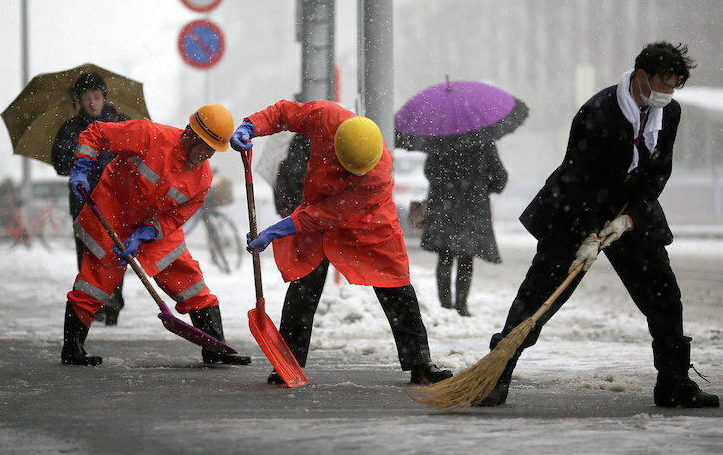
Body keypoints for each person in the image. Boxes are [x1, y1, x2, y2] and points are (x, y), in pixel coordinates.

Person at [480, 42, 718, 408]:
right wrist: (590, 232)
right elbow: (581, 178)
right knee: (541, 295)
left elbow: (658, 171)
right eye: (663, 85)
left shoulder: (668, 113)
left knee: (664, 294)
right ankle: (495, 375)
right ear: (641, 77)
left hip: (629, 211)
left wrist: (629, 218)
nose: (668, 95)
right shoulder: (598, 111)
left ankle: (674, 382)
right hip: (574, 209)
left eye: (674, 87)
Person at [229, 99, 453, 385]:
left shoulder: (376, 173)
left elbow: (328, 214)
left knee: (396, 285)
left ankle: (421, 363)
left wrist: (278, 230)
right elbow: (284, 114)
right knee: (304, 285)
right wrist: (251, 126)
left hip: (370, 223)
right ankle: (288, 364)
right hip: (317, 210)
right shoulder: (325, 117)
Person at [61, 104, 251, 367]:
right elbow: (97, 133)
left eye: (213, 151)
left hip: (154, 230)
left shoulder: (202, 178)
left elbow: (176, 217)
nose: (208, 156)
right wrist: (82, 165)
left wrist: (148, 232)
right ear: (192, 135)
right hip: (112, 215)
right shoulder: (149, 135)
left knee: (191, 282)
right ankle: (72, 349)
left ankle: (215, 347)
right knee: (94, 285)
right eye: (206, 147)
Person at [51, 72, 129, 325]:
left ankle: (113, 303)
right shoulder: (71, 129)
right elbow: (59, 163)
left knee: (115, 252)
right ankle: (90, 304)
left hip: (116, 201)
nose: (93, 103)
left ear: (104, 97)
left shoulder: (121, 123)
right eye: (87, 98)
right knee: (86, 254)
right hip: (83, 203)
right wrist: (80, 165)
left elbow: (136, 157)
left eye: (97, 97)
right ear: (79, 101)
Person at [421, 140, 508, 316]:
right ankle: (462, 306)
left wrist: (445, 183)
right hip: (472, 206)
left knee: (445, 256)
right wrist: (482, 187)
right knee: (466, 258)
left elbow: (429, 170)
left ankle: (445, 306)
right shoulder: (483, 141)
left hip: (444, 204)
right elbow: (500, 176)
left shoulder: (441, 139)